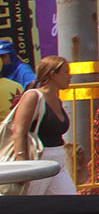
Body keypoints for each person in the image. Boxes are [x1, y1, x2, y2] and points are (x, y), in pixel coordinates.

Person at [10, 56, 77, 195]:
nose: (69, 76)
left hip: (58, 160)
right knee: (30, 203)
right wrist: (22, 164)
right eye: (66, 72)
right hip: (38, 159)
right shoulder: (33, 96)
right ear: (53, 74)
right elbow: (19, 131)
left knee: (71, 201)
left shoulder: (57, 100)